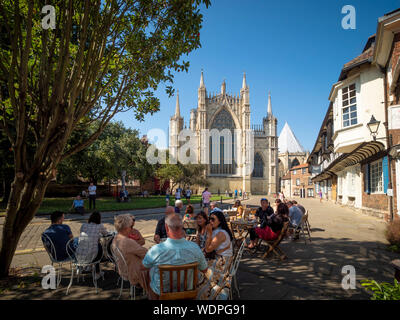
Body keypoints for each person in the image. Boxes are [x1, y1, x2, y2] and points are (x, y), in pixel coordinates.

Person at [142, 213, 208, 300]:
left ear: (166, 227)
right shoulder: (194, 248)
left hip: (163, 293)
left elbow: (143, 267)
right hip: (188, 291)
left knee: (150, 275)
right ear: (182, 227)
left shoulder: (156, 250)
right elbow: (204, 269)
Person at [112, 214, 149, 294]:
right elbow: (146, 254)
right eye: (130, 227)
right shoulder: (127, 241)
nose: (132, 229)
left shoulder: (116, 238)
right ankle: (153, 292)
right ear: (125, 228)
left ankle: (140, 287)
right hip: (133, 272)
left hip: (122, 269)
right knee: (156, 267)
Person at [75, 211, 109, 278]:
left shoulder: (83, 225)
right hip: (92, 254)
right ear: (99, 219)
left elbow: (84, 235)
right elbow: (106, 234)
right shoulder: (100, 226)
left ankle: (84, 267)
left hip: (79, 254)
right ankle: (97, 272)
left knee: (87, 244)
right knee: (98, 246)